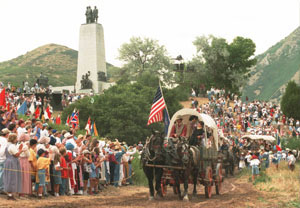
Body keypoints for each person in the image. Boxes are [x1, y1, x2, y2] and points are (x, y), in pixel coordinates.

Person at [3, 133, 23, 200]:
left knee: (9, 177)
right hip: (12, 162)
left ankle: (10, 194)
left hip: (8, 161)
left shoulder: (7, 145)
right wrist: (20, 149)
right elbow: (16, 154)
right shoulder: (11, 146)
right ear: (13, 139)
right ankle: (10, 195)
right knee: (12, 178)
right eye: (16, 138)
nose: (17, 139)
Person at [0, 128, 10, 193]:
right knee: (2, 174)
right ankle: (1, 188)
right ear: (6, 134)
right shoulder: (4, 140)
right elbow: (3, 150)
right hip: (2, 158)